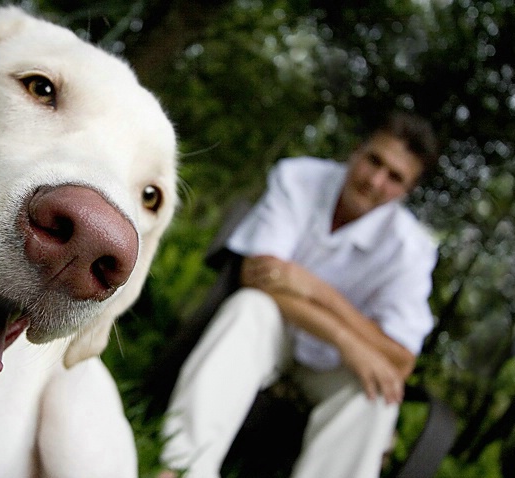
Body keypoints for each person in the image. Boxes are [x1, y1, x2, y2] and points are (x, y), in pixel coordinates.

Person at [157, 111, 440, 478]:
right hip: (275, 332)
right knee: (250, 308)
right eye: (374, 160)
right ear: (357, 150)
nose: (374, 180)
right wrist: (348, 335)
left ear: (406, 191)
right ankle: (183, 468)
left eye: (394, 177)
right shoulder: (298, 178)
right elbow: (256, 276)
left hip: (334, 367)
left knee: (377, 393)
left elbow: (400, 359)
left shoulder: (412, 249)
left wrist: (315, 290)